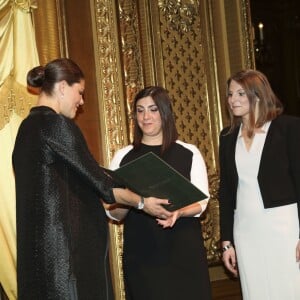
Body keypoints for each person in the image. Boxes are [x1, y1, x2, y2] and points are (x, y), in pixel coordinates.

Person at [12, 58, 172, 300]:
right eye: (80, 92)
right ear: (63, 87)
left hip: (37, 265)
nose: (82, 101)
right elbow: (104, 186)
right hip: (66, 264)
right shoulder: (56, 125)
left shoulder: (26, 129)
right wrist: (143, 202)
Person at [105, 86, 212, 300]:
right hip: (142, 253)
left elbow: (202, 203)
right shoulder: (123, 157)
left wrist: (179, 213)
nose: (146, 116)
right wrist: (135, 201)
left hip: (183, 249)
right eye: (140, 110)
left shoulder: (188, 152)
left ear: (165, 112)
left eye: (153, 109)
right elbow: (111, 212)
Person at [219, 69, 300, 300]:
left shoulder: (288, 128)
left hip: (284, 227)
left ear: (258, 95)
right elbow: (225, 192)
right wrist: (226, 241)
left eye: (240, 93)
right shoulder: (227, 137)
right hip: (244, 229)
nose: (233, 100)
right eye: (230, 94)